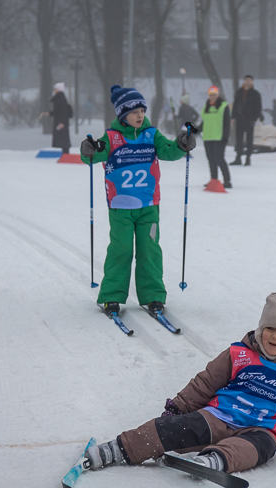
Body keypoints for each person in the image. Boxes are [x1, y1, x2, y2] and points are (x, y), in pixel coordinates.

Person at [80, 292, 276, 475]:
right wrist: (178, 409)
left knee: (261, 448)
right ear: (260, 328)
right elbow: (205, 382)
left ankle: (215, 460)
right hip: (217, 417)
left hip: (261, 429)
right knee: (174, 428)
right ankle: (117, 449)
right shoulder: (239, 354)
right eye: (270, 329)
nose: (275, 337)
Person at [79, 85, 195, 318]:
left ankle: (153, 296)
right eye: (134, 112)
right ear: (122, 115)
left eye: (142, 110)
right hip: (120, 207)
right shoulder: (111, 137)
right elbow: (94, 155)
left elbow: (169, 151)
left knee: (149, 250)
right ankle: (111, 295)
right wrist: (88, 150)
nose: (140, 115)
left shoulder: (151, 135)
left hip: (148, 206)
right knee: (120, 250)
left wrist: (182, 145)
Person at [200, 86, 231, 189]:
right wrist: (193, 130)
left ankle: (227, 180)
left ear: (218, 95)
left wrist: (226, 136)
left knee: (219, 158)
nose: (213, 97)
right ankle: (213, 179)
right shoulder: (206, 107)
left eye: (214, 95)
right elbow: (204, 123)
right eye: (211, 95)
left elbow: (227, 122)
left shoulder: (223, 106)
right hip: (208, 137)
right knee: (211, 159)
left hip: (219, 137)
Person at [231, 75, 262, 166]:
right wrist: (234, 116)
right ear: (244, 81)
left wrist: (254, 118)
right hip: (240, 119)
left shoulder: (255, 93)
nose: (248, 82)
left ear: (252, 81)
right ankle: (238, 157)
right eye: (246, 80)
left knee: (249, 139)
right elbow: (235, 104)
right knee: (239, 139)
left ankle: (248, 158)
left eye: (249, 80)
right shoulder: (239, 92)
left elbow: (258, 107)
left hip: (250, 119)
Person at [39, 83, 73, 154]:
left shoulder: (61, 99)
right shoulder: (59, 98)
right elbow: (58, 111)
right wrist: (50, 113)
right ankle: (64, 153)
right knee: (62, 139)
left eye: (55, 89)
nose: (54, 91)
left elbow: (64, 112)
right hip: (60, 121)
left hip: (61, 122)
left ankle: (66, 154)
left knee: (63, 139)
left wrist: (62, 122)